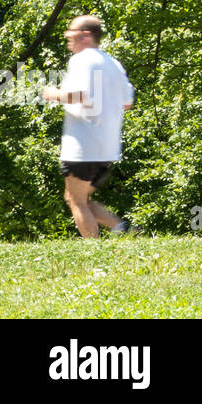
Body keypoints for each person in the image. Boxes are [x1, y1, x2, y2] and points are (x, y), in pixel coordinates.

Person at [41, 15, 134, 238]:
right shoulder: (113, 63)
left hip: (83, 145)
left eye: (70, 31)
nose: (66, 36)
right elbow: (127, 103)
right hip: (108, 148)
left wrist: (54, 94)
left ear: (86, 35)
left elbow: (82, 95)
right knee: (75, 197)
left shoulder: (82, 60)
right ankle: (123, 228)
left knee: (77, 201)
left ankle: (94, 252)